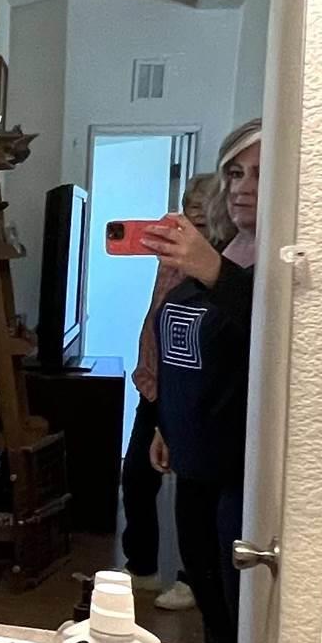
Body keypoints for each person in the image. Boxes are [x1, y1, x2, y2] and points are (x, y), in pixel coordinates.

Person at [145, 121, 262, 643]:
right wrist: (163, 425)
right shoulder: (223, 250)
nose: (243, 186)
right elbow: (182, 355)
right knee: (211, 608)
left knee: (237, 614)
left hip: (237, 468)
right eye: (235, 173)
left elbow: (270, 336)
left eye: (261, 173)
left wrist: (212, 271)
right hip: (190, 458)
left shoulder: (275, 266)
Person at [123, 171, 229, 612]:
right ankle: (141, 569)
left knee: (193, 492)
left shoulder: (225, 269)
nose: (192, 229)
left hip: (192, 393)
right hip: (156, 384)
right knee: (135, 477)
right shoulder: (171, 260)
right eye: (187, 216)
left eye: (203, 223)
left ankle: (191, 577)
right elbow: (160, 322)